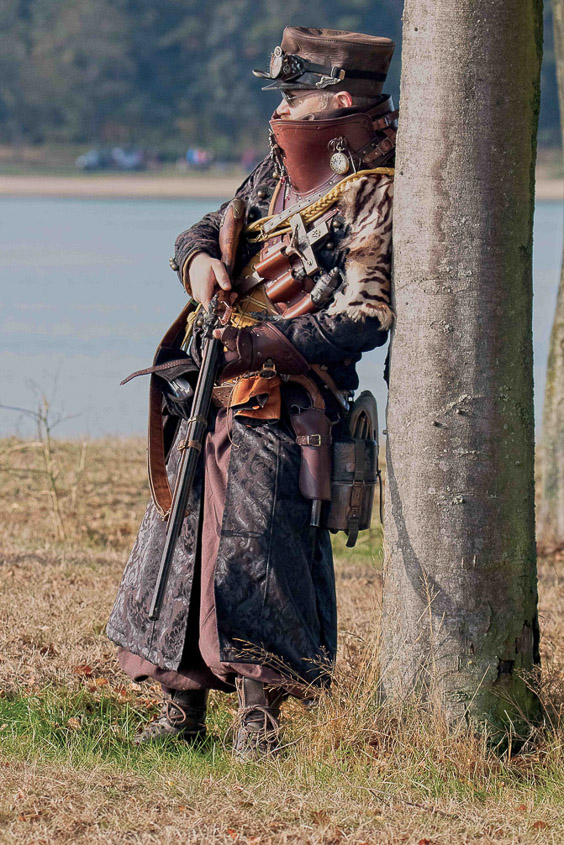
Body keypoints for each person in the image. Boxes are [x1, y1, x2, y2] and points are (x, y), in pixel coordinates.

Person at [107, 26, 397, 759]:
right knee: (181, 542)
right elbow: (208, 227)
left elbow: (366, 318)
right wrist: (199, 261)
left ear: (339, 102)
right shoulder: (275, 172)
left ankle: (259, 718)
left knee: (260, 550)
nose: (284, 109)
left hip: (290, 403)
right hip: (212, 389)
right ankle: (181, 707)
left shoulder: (377, 192)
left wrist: (262, 344)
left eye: (295, 95)